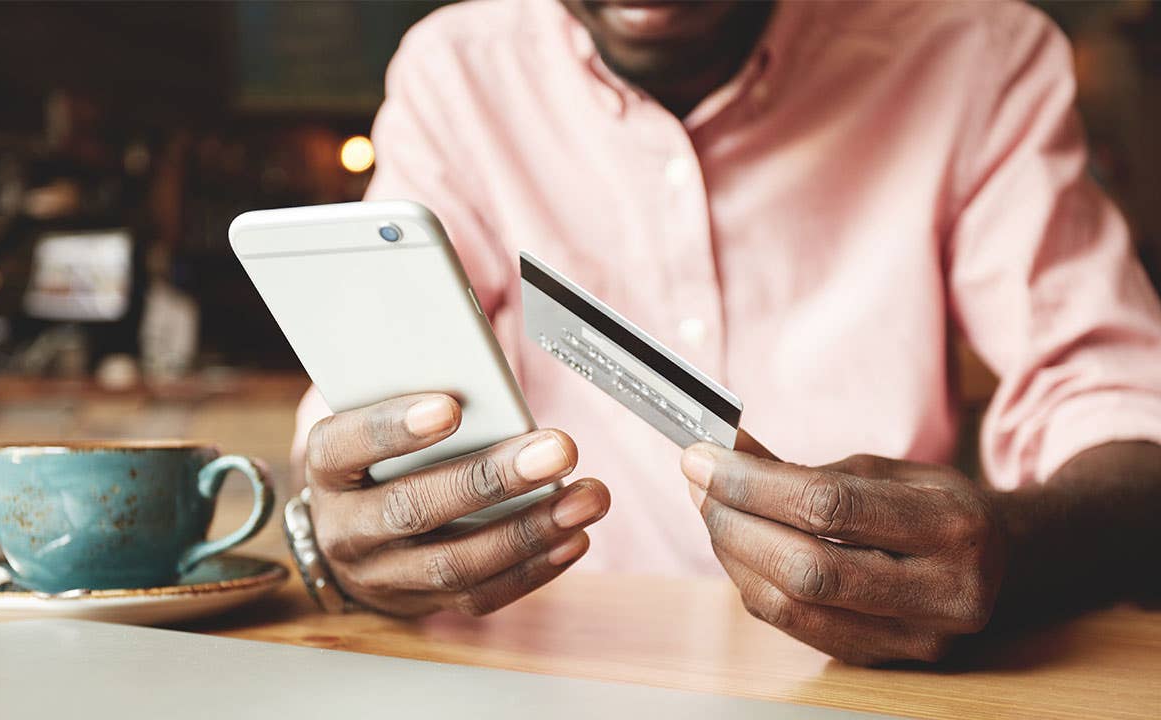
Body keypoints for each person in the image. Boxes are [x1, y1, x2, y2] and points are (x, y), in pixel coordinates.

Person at [290, 0, 1161, 664]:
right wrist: (353, 528)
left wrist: (1025, 552)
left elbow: (1116, 399)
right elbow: (373, 409)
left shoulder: (977, 54)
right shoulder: (459, 71)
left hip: (878, 688)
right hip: (549, 671)